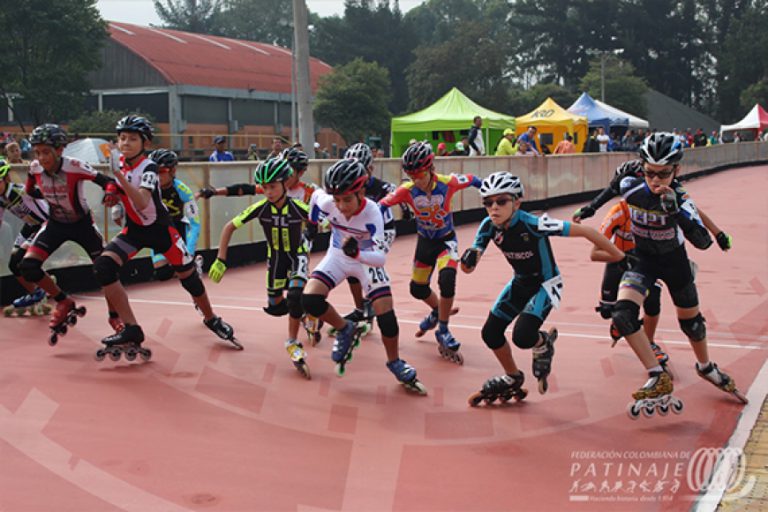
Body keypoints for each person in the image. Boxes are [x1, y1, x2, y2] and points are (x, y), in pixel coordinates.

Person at [612, 133, 746, 418]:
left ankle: (705, 367)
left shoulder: (681, 198)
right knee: (622, 315)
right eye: (649, 172)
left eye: (663, 174)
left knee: (692, 325)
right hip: (643, 261)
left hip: (675, 263)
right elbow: (612, 187)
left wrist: (676, 213)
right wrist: (590, 207)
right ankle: (656, 373)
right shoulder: (630, 186)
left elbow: (702, 242)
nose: (655, 180)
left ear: (677, 170)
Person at [463, 172, 625, 404]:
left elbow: (587, 232)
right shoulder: (488, 226)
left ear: (517, 203)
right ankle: (513, 377)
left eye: (501, 201)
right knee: (490, 333)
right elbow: (468, 268)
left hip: (545, 285)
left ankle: (543, 343)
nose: (494, 208)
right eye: (488, 203)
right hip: (520, 282)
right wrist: (468, 261)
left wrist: (620, 257)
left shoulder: (535, 224)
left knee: (522, 337)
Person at [93, 116, 241, 362]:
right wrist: (112, 192)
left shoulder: (149, 167)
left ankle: (211, 318)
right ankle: (131, 327)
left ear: (145, 143)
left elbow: (142, 201)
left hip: (162, 231)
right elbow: (119, 190)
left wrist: (118, 177)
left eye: (132, 139)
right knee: (103, 266)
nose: (125, 143)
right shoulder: (118, 163)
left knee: (189, 279)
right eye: (122, 138)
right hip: (135, 230)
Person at [301, 158, 426, 393]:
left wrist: (357, 252)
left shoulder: (372, 213)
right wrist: (312, 224)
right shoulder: (329, 202)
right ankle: (345, 328)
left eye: (347, 199)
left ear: (361, 192)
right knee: (309, 299)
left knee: (386, 314)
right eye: (337, 200)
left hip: (366, 260)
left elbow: (380, 258)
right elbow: (315, 197)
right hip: (338, 255)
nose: (341, 206)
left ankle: (394, 361)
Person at [209, 158, 313, 378]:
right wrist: (221, 259)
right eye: (264, 188)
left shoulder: (299, 208)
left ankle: (292, 342)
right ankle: (305, 312)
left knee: (294, 294)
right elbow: (229, 227)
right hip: (275, 259)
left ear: (285, 183)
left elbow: (328, 222)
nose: (268, 192)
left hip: (297, 255)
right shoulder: (261, 208)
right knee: (276, 307)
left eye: (273, 186)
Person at [380, 142, 482, 364]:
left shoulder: (448, 182)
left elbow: (473, 179)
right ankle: (437, 310)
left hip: (446, 241)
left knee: (447, 279)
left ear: (430, 168)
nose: (416, 180)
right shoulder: (406, 190)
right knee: (417, 289)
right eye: (411, 176)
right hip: (425, 242)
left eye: (419, 174)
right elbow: (381, 205)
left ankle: (443, 329)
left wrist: (488, 193)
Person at [20, 124, 123, 343]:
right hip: (55, 224)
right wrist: (47, 193)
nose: (41, 158)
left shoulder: (74, 166)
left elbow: (108, 182)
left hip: (82, 225)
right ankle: (63, 301)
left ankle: (115, 317)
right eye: (37, 152)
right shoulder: (35, 168)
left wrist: (109, 194)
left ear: (59, 150)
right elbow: (29, 190)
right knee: (28, 266)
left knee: (105, 270)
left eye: (46, 152)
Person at [571, 157, 733, 255]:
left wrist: (718, 234)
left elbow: (694, 210)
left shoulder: (666, 189)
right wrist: (590, 208)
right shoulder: (631, 186)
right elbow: (611, 191)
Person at [589, 199, 668, 370]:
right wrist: (623, 258)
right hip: (619, 260)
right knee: (607, 311)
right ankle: (618, 323)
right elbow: (594, 254)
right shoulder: (617, 212)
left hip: (646, 263)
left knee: (653, 300)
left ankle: (649, 342)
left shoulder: (657, 209)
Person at [338, 142, 398, 331]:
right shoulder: (349, 187)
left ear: (370, 169)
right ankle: (360, 308)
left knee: (367, 266)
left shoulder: (382, 187)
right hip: (361, 232)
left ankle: (374, 306)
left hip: (383, 232)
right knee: (351, 265)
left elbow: (397, 195)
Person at [0, 159, 51, 316]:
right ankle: (36, 293)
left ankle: (44, 286)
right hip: (30, 225)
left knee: (22, 261)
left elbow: (44, 197)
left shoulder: (20, 191)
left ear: (5, 179)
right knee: (13, 264)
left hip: (45, 224)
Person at [143, 149, 201, 281]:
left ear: (173, 171)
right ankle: (191, 266)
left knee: (185, 273)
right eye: (154, 171)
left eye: (162, 171)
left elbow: (195, 224)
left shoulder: (183, 190)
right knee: (162, 274)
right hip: (159, 229)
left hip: (178, 228)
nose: (157, 176)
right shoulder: (149, 188)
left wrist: (190, 252)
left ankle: (191, 266)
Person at [197, 147, 316, 204]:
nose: (284, 176)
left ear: (300, 173)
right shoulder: (275, 187)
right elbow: (243, 189)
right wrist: (214, 192)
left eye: (289, 172)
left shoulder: (310, 192)